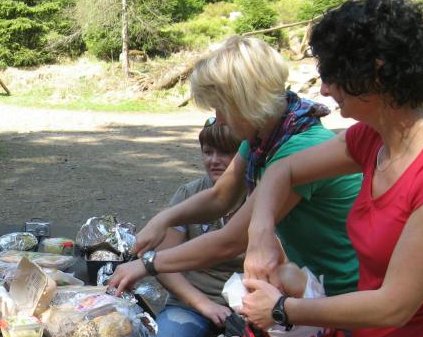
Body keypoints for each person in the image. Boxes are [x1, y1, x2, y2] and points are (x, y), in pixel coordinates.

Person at [240, 0, 423, 337]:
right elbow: (281, 174)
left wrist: (283, 309)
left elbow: (394, 304)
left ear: (377, 72)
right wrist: (261, 237)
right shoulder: (374, 139)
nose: (322, 90)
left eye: (333, 75)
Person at [108, 35, 362, 300]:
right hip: (314, 283)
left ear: (245, 102)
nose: (218, 119)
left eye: (221, 108)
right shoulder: (264, 137)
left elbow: (231, 240)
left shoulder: (298, 146)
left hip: (346, 292)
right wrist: (165, 219)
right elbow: (221, 196)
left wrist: (148, 263)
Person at [144, 118, 244, 337]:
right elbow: (163, 264)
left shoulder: (260, 194)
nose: (214, 160)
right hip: (190, 302)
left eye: (225, 152)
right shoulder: (189, 194)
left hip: (249, 307)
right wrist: (203, 304)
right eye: (207, 152)